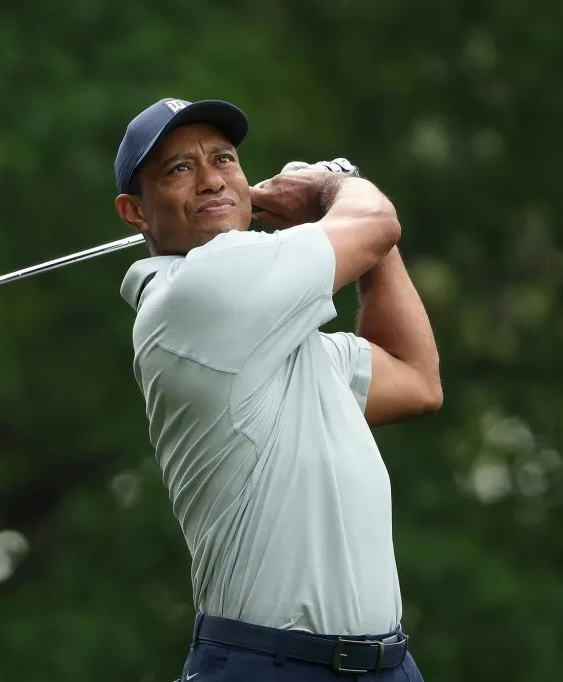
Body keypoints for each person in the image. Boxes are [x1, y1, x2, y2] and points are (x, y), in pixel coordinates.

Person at [113, 97, 441, 681]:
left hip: (386, 664)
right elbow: (377, 222)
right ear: (135, 211)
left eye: (224, 160)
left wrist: (350, 228)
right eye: (179, 169)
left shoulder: (287, 343)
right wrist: (334, 187)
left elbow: (416, 379)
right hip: (268, 664)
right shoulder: (195, 296)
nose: (211, 179)